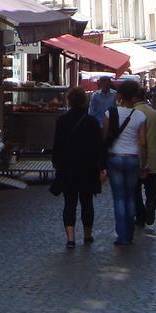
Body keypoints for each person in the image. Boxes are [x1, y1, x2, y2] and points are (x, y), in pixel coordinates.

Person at [51, 87, 105, 248]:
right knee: (87, 202)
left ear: (69, 101)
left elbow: (57, 146)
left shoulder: (61, 121)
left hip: (68, 168)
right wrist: (102, 166)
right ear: (84, 102)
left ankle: (70, 238)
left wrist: (57, 164)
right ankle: (88, 235)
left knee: (69, 203)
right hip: (87, 168)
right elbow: (98, 147)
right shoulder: (92, 122)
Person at [101, 80, 147, 245]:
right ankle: (130, 232)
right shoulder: (140, 116)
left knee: (119, 198)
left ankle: (122, 235)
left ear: (119, 95)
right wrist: (145, 164)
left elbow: (104, 137)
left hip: (114, 158)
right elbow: (142, 142)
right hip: (133, 158)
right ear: (134, 96)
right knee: (131, 197)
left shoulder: (109, 113)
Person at [131, 86, 156, 235]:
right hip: (152, 156)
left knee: (135, 189)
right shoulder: (153, 113)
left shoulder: (133, 113)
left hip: (136, 156)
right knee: (151, 184)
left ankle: (140, 215)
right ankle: (151, 202)